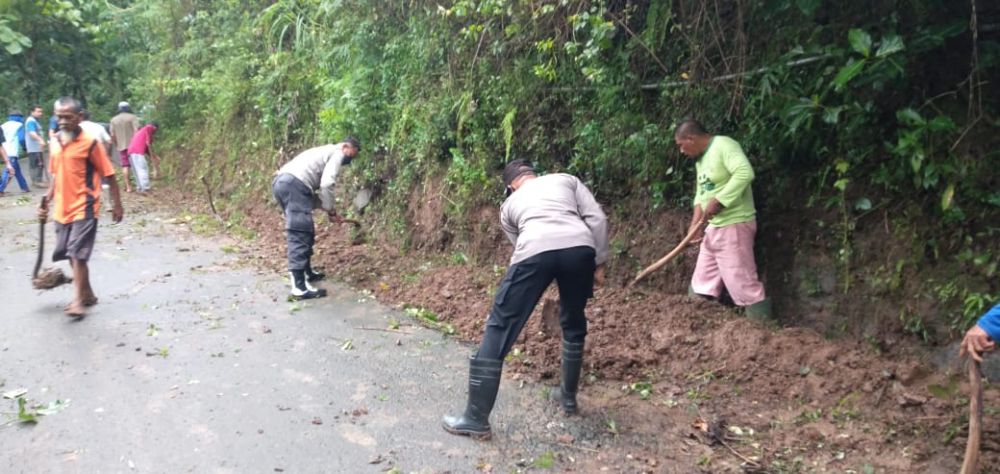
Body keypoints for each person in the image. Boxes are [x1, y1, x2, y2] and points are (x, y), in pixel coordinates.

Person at [442, 159, 608, 440]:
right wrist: (600, 262)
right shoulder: (565, 179)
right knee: (573, 318)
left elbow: (519, 241)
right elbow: (597, 219)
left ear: (510, 186)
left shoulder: (509, 205)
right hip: (580, 249)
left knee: (500, 323)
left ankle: (475, 418)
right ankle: (567, 398)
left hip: (535, 250)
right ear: (534, 175)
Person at [675, 119, 771, 320]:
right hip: (714, 228)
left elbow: (745, 172)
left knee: (744, 285)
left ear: (691, 139)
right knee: (701, 282)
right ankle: (695, 329)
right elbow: (701, 195)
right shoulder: (701, 160)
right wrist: (695, 225)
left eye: (681, 145)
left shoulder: (724, 145)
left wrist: (720, 200)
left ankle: (764, 335)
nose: (681, 151)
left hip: (734, 226)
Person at [37, 96, 124, 317]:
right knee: (68, 253)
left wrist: (117, 205)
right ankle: (87, 294)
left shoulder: (90, 143)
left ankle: (77, 302)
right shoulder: (55, 142)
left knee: (77, 254)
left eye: (68, 117)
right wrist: (47, 199)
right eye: (59, 117)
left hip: (85, 206)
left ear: (79, 117)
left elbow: (110, 175)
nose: (63, 121)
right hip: (61, 208)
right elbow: (55, 174)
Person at [271, 138, 361, 300]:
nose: (349, 160)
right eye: (351, 155)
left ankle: (306, 272)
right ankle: (299, 287)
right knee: (300, 231)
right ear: (346, 146)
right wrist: (330, 208)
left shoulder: (323, 151)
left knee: (306, 229)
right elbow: (327, 183)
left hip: (283, 183)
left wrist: (330, 212)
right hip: (293, 184)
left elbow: (309, 195)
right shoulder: (337, 152)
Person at [109, 102, 140, 192]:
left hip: (121, 146)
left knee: (125, 165)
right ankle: (139, 185)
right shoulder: (132, 117)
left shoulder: (113, 120)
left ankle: (128, 186)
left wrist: (117, 143)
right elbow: (136, 130)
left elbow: (112, 134)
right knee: (136, 165)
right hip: (134, 145)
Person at [0, 109, 30, 195]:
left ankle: (24, 187)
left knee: (17, 171)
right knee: (8, 171)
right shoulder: (19, 125)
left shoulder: (3, 125)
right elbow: (21, 139)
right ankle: (0, 189)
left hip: (4, 151)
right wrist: (25, 148)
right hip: (12, 151)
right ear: (20, 117)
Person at [126, 122, 158, 193]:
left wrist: (153, 156)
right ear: (155, 128)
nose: (155, 133)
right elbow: (148, 145)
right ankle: (146, 188)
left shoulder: (141, 132)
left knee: (137, 171)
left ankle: (140, 188)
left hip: (130, 152)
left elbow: (147, 149)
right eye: (156, 130)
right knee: (143, 169)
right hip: (137, 152)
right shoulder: (149, 128)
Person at [24, 105, 47, 186]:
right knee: (37, 164)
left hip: (37, 147)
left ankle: (38, 180)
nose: (40, 113)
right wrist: (40, 140)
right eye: (38, 111)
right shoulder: (31, 121)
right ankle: (37, 181)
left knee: (38, 164)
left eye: (41, 111)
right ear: (32, 112)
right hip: (34, 148)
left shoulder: (35, 121)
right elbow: (32, 133)